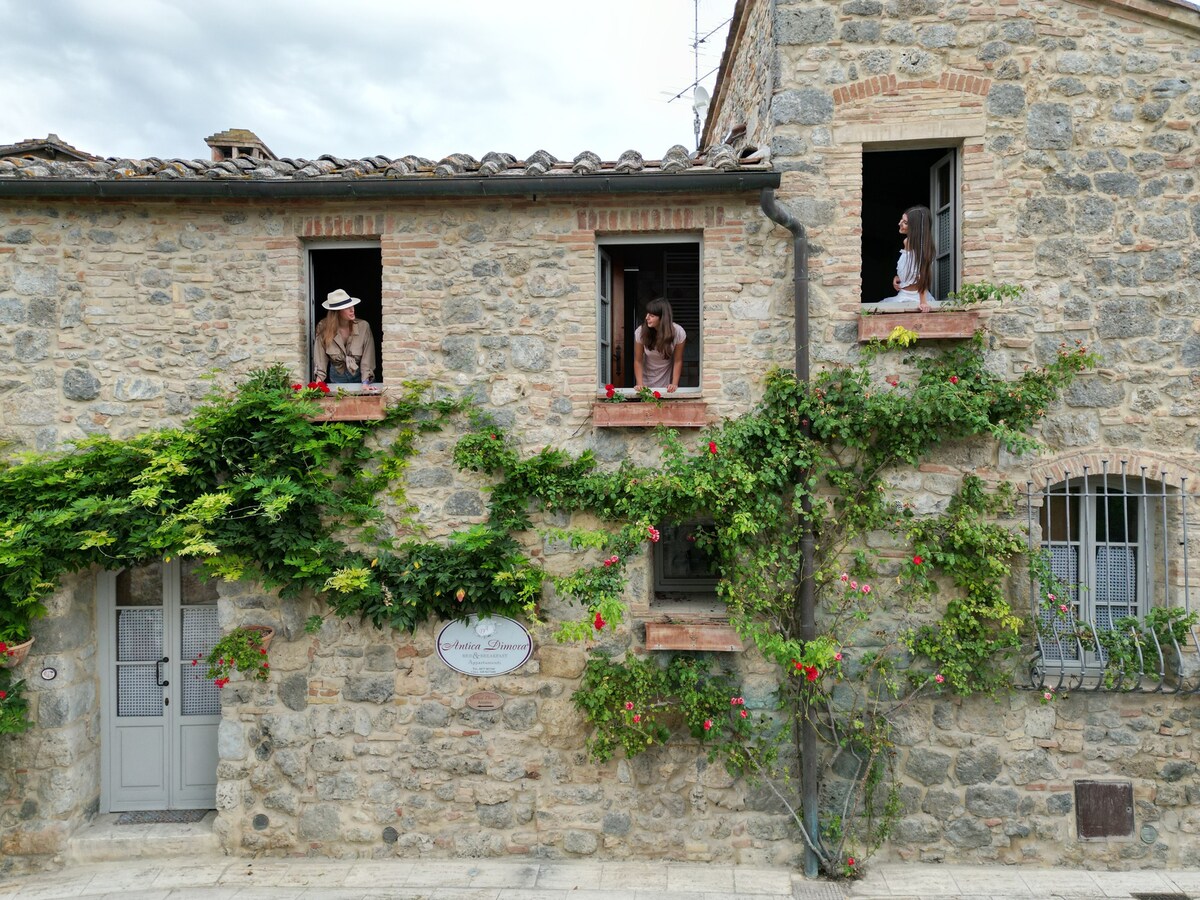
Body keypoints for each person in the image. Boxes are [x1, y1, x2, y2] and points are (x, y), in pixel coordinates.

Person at [868, 205, 939, 312]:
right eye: (902, 219)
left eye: (905, 222)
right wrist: (900, 277)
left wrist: (923, 302)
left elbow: (922, 274)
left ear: (915, 227)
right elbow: (911, 269)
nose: (900, 223)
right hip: (904, 295)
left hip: (913, 298)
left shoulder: (912, 243)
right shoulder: (913, 243)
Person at [313, 288, 376, 386]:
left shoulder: (363, 326)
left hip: (360, 375)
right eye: (347, 307)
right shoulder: (323, 327)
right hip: (337, 375)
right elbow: (320, 358)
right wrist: (318, 384)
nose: (352, 309)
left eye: (352, 305)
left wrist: (365, 383)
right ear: (337, 312)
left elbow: (368, 358)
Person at [633, 298, 686, 392]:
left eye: (652, 315)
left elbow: (678, 361)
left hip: (666, 380)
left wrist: (674, 384)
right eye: (647, 314)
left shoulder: (678, 332)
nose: (647, 318)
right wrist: (640, 384)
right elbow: (638, 360)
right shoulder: (640, 332)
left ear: (662, 317)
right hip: (646, 379)